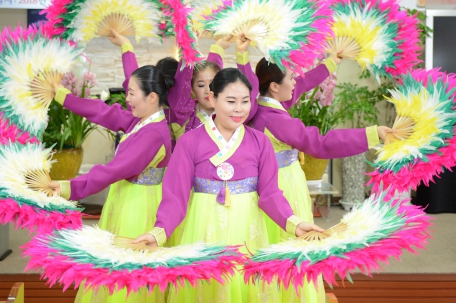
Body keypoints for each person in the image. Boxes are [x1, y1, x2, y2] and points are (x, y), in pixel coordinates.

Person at [134, 68, 323, 303]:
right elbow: (176, 197)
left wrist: (295, 223)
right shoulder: (189, 141)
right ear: (212, 98)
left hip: (247, 229)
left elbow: (270, 194)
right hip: (203, 227)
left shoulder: (260, 142)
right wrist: (158, 232)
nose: (239, 109)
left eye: (245, 101)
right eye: (231, 101)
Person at [247, 58, 394, 301]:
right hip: (284, 184)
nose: (296, 82)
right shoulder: (276, 119)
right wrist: (372, 133)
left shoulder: (262, 105)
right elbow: (319, 144)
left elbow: (303, 84)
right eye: (291, 78)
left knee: (275, 240)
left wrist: (329, 64)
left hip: (270, 181)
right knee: (290, 243)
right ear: (274, 86)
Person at [49, 65, 173, 303]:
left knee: (128, 274)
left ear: (152, 97)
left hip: (138, 208)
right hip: (126, 200)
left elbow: (113, 171)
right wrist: (61, 94)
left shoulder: (153, 133)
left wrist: (68, 187)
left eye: (132, 93)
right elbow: (104, 112)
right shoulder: (142, 121)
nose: (127, 99)